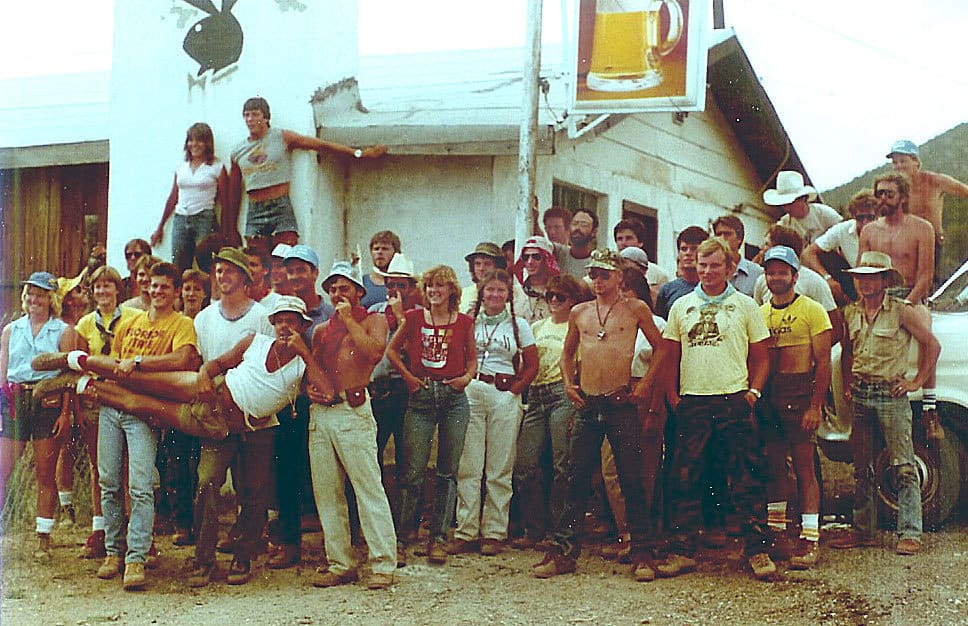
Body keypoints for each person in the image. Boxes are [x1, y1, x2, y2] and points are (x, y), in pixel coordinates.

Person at [532, 249, 664, 582]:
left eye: (605, 274)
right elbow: (567, 354)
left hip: (621, 403)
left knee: (631, 480)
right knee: (576, 479)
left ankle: (643, 552)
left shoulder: (636, 309)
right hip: (589, 404)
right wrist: (568, 384)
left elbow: (662, 347)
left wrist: (646, 384)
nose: (599, 280)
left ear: (620, 277)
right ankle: (564, 550)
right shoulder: (580, 312)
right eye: (594, 274)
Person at [659, 237, 774, 580]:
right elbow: (669, 355)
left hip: (733, 398)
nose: (708, 272)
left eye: (715, 266)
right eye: (702, 265)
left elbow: (762, 356)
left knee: (747, 476)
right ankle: (682, 551)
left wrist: (752, 392)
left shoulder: (745, 305)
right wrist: (673, 396)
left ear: (728, 267)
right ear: (695, 266)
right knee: (684, 476)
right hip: (693, 400)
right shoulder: (681, 305)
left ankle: (757, 551)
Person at [98, 262, 199, 590]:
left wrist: (140, 364)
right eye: (153, 286)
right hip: (113, 405)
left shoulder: (181, 324)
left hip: (143, 411)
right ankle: (114, 551)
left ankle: (136, 558)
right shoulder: (129, 321)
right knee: (109, 481)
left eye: (164, 287)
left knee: (140, 485)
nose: (157, 292)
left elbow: (182, 359)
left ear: (174, 292)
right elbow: (115, 362)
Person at [831, 252, 940, 555]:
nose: (865, 283)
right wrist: (849, 383)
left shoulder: (901, 311)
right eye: (860, 277)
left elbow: (932, 345)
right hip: (862, 395)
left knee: (903, 465)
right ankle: (863, 530)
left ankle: (910, 531)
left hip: (891, 395)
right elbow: (847, 350)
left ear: (884, 280)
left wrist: (915, 382)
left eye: (872, 276)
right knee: (861, 466)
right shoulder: (850, 312)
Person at [306, 261, 398, 590]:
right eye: (332, 289)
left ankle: (383, 562)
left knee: (367, 487)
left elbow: (373, 353)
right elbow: (313, 369)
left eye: (344, 288)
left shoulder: (373, 319)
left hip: (353, 409)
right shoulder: (320, 330)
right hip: (323, 412)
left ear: (358, 292)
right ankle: (340, 562)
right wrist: (309, 388)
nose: (337, 294)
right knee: (327, 492)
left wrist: (347, 319)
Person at [188, 247, 274, 587]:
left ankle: (244, 556)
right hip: (217, 416)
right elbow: (201, 367)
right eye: (218, 270)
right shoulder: (204, 318)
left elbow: (269, 367)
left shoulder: (263, 316)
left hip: (256, 416)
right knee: (207, 481)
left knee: (252, 489)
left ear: (244, 278)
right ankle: (203, 559)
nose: (222, 276)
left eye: (229, 271)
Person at [386, 265, 477, 565]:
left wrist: (466, 378)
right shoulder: (413, 318)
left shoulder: (464, 322)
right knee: (412, 471)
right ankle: (402, 537)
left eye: (441, 286)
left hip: (453, 397)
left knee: (448, 471)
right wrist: (409, 378)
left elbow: (472, 359)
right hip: (422, 397)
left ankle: (438, 538)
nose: (435, 291)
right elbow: (391, 351)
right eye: (430, 286)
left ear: (452, 290)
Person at [448, 269, 538, 556]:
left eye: (501, 290)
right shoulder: (468, 323)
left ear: (508, 295)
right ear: (481, 293)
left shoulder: (518, 325)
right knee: (469, 465)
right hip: (472, 390)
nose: (495, 295)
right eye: (490, 290)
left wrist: (515, 389)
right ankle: (466, 531)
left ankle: (495, 532)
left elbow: (532, 363)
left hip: (503, 393)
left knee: (500, 466)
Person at [226, 97, 386, 248]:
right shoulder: (238, 152)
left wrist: (358, 154)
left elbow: (321, 145)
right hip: (255, 210)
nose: (250, 119)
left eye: (255, 114)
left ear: (266, 117)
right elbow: (233, 193)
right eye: (246, 115)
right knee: (256, 261)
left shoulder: (281, 136)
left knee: (286, 257)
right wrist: (231, 228)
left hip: (280, 206)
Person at [758, 246, 831, 569]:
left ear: (794, 275)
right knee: (775, 465)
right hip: (771, 393)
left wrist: (815, 405)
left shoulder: (812, 310)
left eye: (782, 272)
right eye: (771, 272)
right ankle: (777, 532)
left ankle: (810, 536)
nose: (776, 277)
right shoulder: (761, 313)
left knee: (804, 466)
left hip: (801, 389)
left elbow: (825, 362)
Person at [0, 272, 77, 560]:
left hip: (48, 400)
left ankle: (43, 536)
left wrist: (66, 412)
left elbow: (69, 375)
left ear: (50, 298)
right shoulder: (11, 330)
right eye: (30, 294)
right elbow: (3, 370)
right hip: (14, 400)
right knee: (3, 469)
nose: (35, 300)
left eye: (41, 294)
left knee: (45, 473)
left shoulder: (63, 331)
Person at [512, 275, 591, 549]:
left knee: (562, 465)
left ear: (573, 301)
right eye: (551, 296)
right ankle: (534, 528)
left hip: (562, 391)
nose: (554, 301)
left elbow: (578, 362)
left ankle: (561, 532)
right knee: (525, 465)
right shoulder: (537, 326)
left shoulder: (578, 327)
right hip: (536, 393)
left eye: (561, 297)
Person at [268, 244, 331, 569]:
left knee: (327, 477)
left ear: (314, 273)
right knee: (287, 473)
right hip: (287, 407)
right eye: (290, 270)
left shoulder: (329, 313)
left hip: (321, 403)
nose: (295, 276)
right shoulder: (279, 314)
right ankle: (290, 544)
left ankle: (334, 546)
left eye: (301, 269)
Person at [71, 267, 141, 559]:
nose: (102, 292)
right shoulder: (85, 325)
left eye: (108, 286)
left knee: (131, 470)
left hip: (127, 396)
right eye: (97, 287)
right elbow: (79, 368)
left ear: (117, 290)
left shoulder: (134, 319)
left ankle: (135, 533)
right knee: (102, 468)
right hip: (97, 400)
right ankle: (103, 529)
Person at [366, 253, 421, 487]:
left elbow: (415, 354)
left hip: (405, 391)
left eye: (401, 285)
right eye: (391, 284)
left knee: (405, 457)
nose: (395, 289)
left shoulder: (419, 314)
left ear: (410, 287)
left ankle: (404, 516)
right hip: (377, 390)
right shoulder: (375, 311)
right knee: (372, 453)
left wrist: (400, 318)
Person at [151, 122, 228, 271]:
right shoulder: (181, 166)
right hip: (181, 218)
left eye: (199, 140)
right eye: (191, 140)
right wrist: (160, 227)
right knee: (178, 265)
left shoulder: (217, 166)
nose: (194, 144)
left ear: (207, 143)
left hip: (204, 218)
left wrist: (225, 232)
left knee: (206, 264)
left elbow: (224, 202)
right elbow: (174, 196)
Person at [886, 139, 968, 276]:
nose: (898, 166)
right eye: (895, 162)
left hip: (933, 243)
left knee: (931, 285)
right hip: (905, 247)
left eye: (902, 161)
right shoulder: (892, 189)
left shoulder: (935, 181)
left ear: (916, 161)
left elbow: (965, 191)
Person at [753, 225, 842, 346]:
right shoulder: (761, 281)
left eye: (767, 244)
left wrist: (810, 355)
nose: (762, 248)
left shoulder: (814, 282)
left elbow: (836, 329)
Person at [858, 173, 935, 305]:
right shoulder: (869, 231)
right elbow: (859, 272)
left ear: (903, 198)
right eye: (879, 194)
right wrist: (865, 301)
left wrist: (907, 304)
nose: (883, 198)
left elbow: (926, 276)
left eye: (889, 194)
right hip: (875, 296)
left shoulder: (922, 229)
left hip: (909, 295)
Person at [802, 190, 879, 303]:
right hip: (857, 283)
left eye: (870, 217)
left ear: (878, 215)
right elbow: (808, 253)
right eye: (860, 218)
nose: (865, 223)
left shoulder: (886, 229)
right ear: (853, 216)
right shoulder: (842, 230)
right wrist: (827, 278)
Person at [764, 171, 842, 245]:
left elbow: (843, 233)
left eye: (790, 204)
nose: (787, 209)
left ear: (803, 199)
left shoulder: (824, 213)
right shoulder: (784, 224)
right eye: (784, 205)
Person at [654, 226, 709, 319]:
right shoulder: (667, 290)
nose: (688, 253)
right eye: (684, 249)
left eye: (694, 248)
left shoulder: (713, 287)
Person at [613, 216, 670, 302]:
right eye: (619, 239)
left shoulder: (658, 274)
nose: (623, 243)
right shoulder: (608, 269)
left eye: (629, 238)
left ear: (640, 242)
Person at [511, 236, 562, 323]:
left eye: (536, 257)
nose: (530, 262)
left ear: (547, 260)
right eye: (526, 257)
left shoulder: (560, 293)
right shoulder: (514, 292)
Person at [712, 215, 762, 297]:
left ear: (739, 238)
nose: (722, 238)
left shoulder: (757, 273)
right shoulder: (708, 270)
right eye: (718, 234)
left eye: (727, 234)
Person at [360, 230, 401, 309]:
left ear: (396, 252)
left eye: (385, 249)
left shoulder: (404, 284)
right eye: (376, 249)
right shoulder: (361, 283)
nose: (380, 252)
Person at [552, 209, 599, 278]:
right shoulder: (559, 252)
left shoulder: (596, 263)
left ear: (594, 232)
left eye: (584, 225)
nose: (577, 228)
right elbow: (541, 244)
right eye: (574, 224)